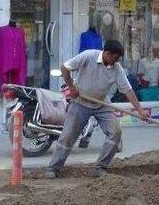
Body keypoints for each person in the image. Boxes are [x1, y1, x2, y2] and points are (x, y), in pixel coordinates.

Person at [45, 40, 149, 178]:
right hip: (80, 102)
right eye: (115, 58)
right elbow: (65, 67)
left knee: (115, 132)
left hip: (102, 103)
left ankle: (100, 167)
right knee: (67, 136)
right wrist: (71, 87)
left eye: (118, 59)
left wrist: (140, 109)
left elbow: (128, 90)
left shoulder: (117, 69)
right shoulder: (88, 56)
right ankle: (53, 168)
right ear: (107, 53)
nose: (116, 62)